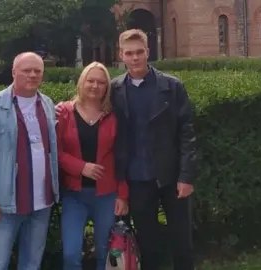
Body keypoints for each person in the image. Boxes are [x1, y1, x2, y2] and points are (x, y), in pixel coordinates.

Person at [56, 29, 197, 270]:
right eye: (129, 53)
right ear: (122, 55)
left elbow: (187, 134)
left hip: (170, 174)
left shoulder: (172, 87)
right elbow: (87, 105)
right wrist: (62, 108)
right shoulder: (115, 89)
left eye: (139, 52)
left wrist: (187, 175)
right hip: (137, 177)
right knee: (147, 240)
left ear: (147, 52)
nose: (135, 58)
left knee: (181, 238)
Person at [0, 52, 59, 270]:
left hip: (41, 202)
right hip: (6, 202)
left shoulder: (46, 104)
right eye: (26, 70)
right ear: (13, 72)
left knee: (32, 263)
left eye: (37, 71)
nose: (32, 75)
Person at [56, 61, 129, 270]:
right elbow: (56, 152)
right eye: (90, 81)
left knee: (106, 253)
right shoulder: (64, 113)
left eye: (101, 82)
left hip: (105, 195)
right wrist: (81, 167)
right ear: (82, 82)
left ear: (107, 87)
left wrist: (122, 195)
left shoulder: (113, 117)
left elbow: (121, 157)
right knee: (70, 254)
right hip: (74, 194)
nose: (95, 86)